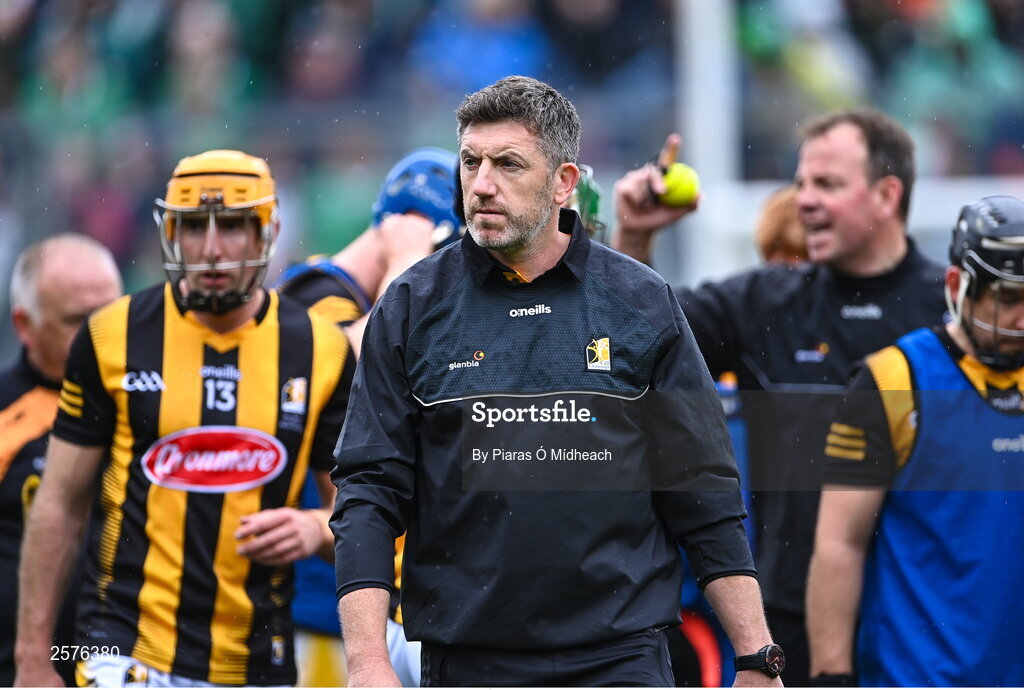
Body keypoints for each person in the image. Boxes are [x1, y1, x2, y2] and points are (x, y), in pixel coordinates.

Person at [332, 75, 782, 687]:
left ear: (564, 182)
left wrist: (757, 658)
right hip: (467, 663)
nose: (481, 184)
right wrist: (365, 661)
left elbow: (702, 492)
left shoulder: (641, 300)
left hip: (619, 660)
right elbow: (367, 494)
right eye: (470, 162)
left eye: (507, 164)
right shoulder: (409, 306)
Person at [612, 108, 948, 685]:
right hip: (787, 631)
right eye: (801, 183)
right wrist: (635, 234)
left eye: (828, 184)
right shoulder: (764, 304)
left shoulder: (949, 314)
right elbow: (628, 346)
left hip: (927, 628)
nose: (805, 200)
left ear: (887, 195)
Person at [14, 150, 355, 688]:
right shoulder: (111, 335)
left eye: (234, 227)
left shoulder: (322, 350)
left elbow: (358, 511)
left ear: (268, 231)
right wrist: (33, 657)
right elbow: (59, 504)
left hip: (256, 653)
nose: (213, 250)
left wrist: (315, 527)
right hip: (124, 647)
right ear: (170, 231)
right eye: (194, 227)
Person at [806, 195, 1024, 686]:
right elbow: (839, 544)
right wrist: (830, 677)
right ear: (956, 286)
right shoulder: (891, 380)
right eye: (1008, 298)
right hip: (917, 676)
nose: (1022, 317)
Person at [279, 146, 463, 688]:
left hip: (387, 599)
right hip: (319, 610)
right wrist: (406, 256)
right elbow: (361, 361)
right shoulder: (308, 294)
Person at [0, 234, 122, 686]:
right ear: (25, 325)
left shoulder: (155, 407)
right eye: (78, 321)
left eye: (110, 315)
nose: (100, 335)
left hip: (139, 665)